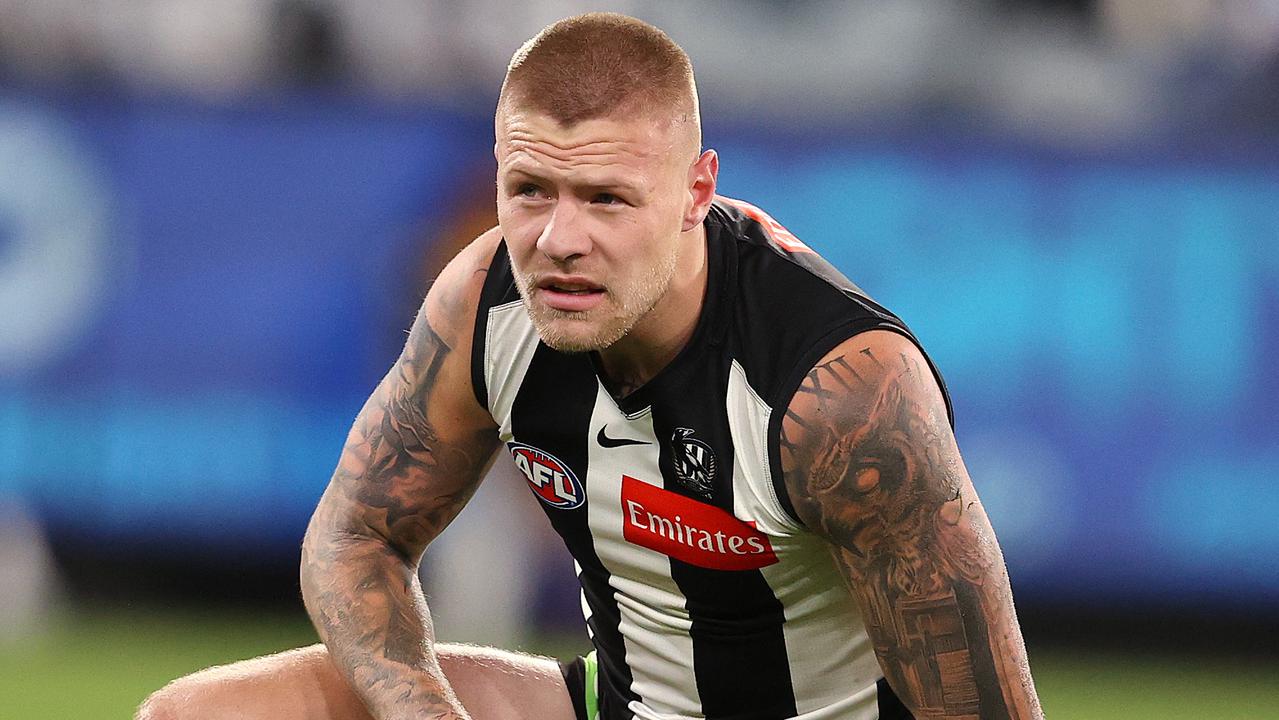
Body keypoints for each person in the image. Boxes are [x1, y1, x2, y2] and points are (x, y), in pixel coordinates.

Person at [139, 12, 1043, 720]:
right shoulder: (487, 301)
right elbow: (353, 539)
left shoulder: (840, 401)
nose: (558, 242)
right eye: (530, 191)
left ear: (696, 191)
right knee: (191, 714)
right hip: (614, 704)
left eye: (607, 199)